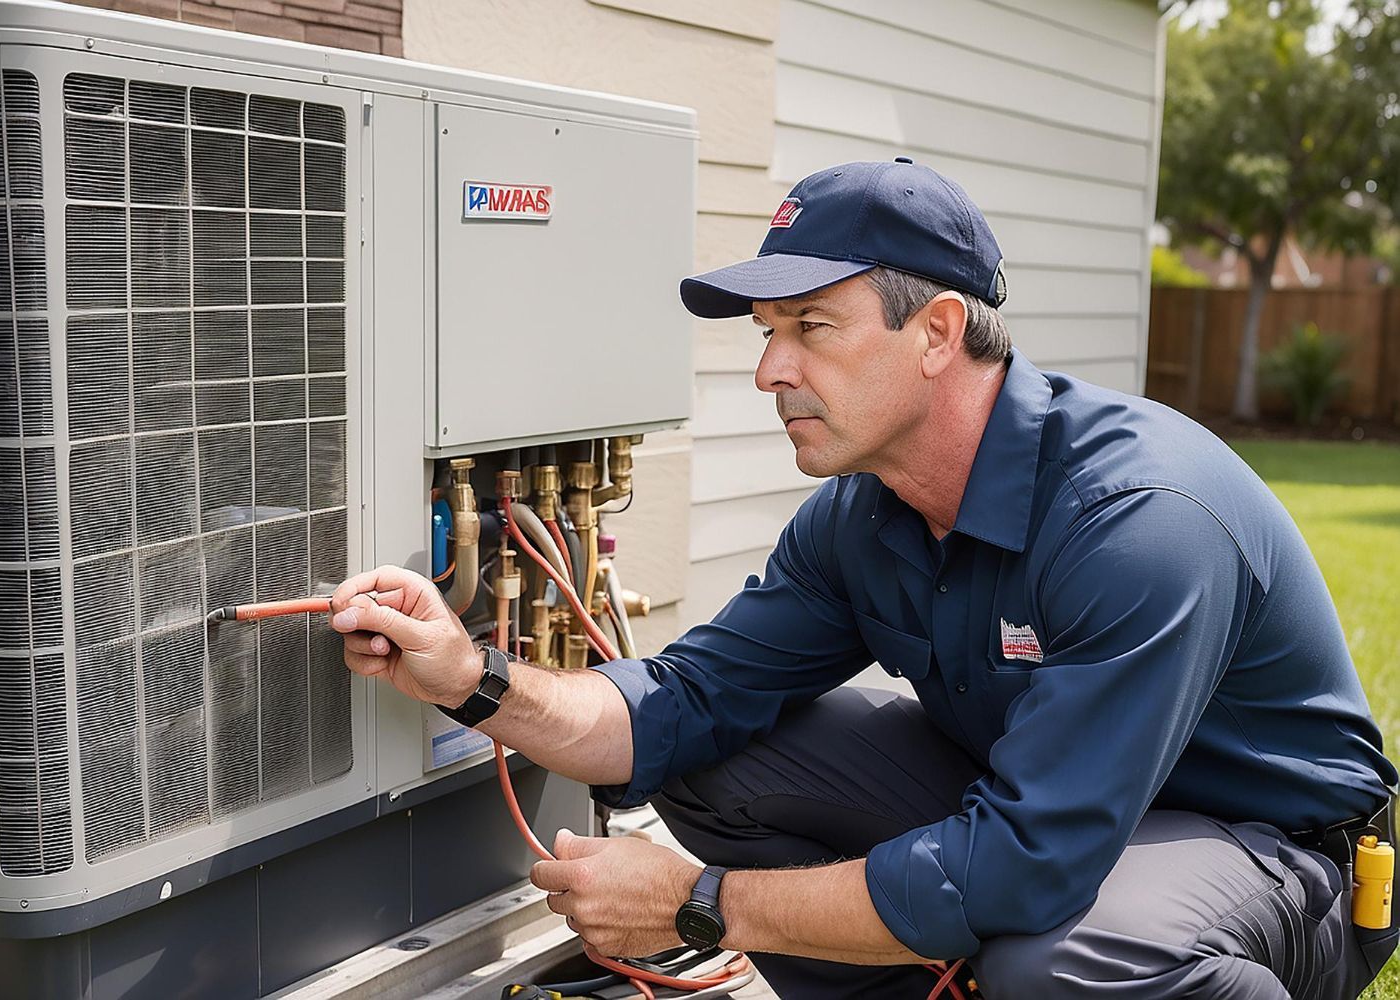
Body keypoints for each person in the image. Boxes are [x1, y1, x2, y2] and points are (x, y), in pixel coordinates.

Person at [329, 159, 1398, 998]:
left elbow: (1027, 862)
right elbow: (682, 706)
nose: (769, 371)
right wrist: (467, 673)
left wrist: (703, 904)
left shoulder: (1139, 519)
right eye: (766, 335)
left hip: (1273, 856)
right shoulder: (861, 515)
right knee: (718, 758)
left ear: (936, 332)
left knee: (1063, 957)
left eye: (810, 329)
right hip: (1057, 815)